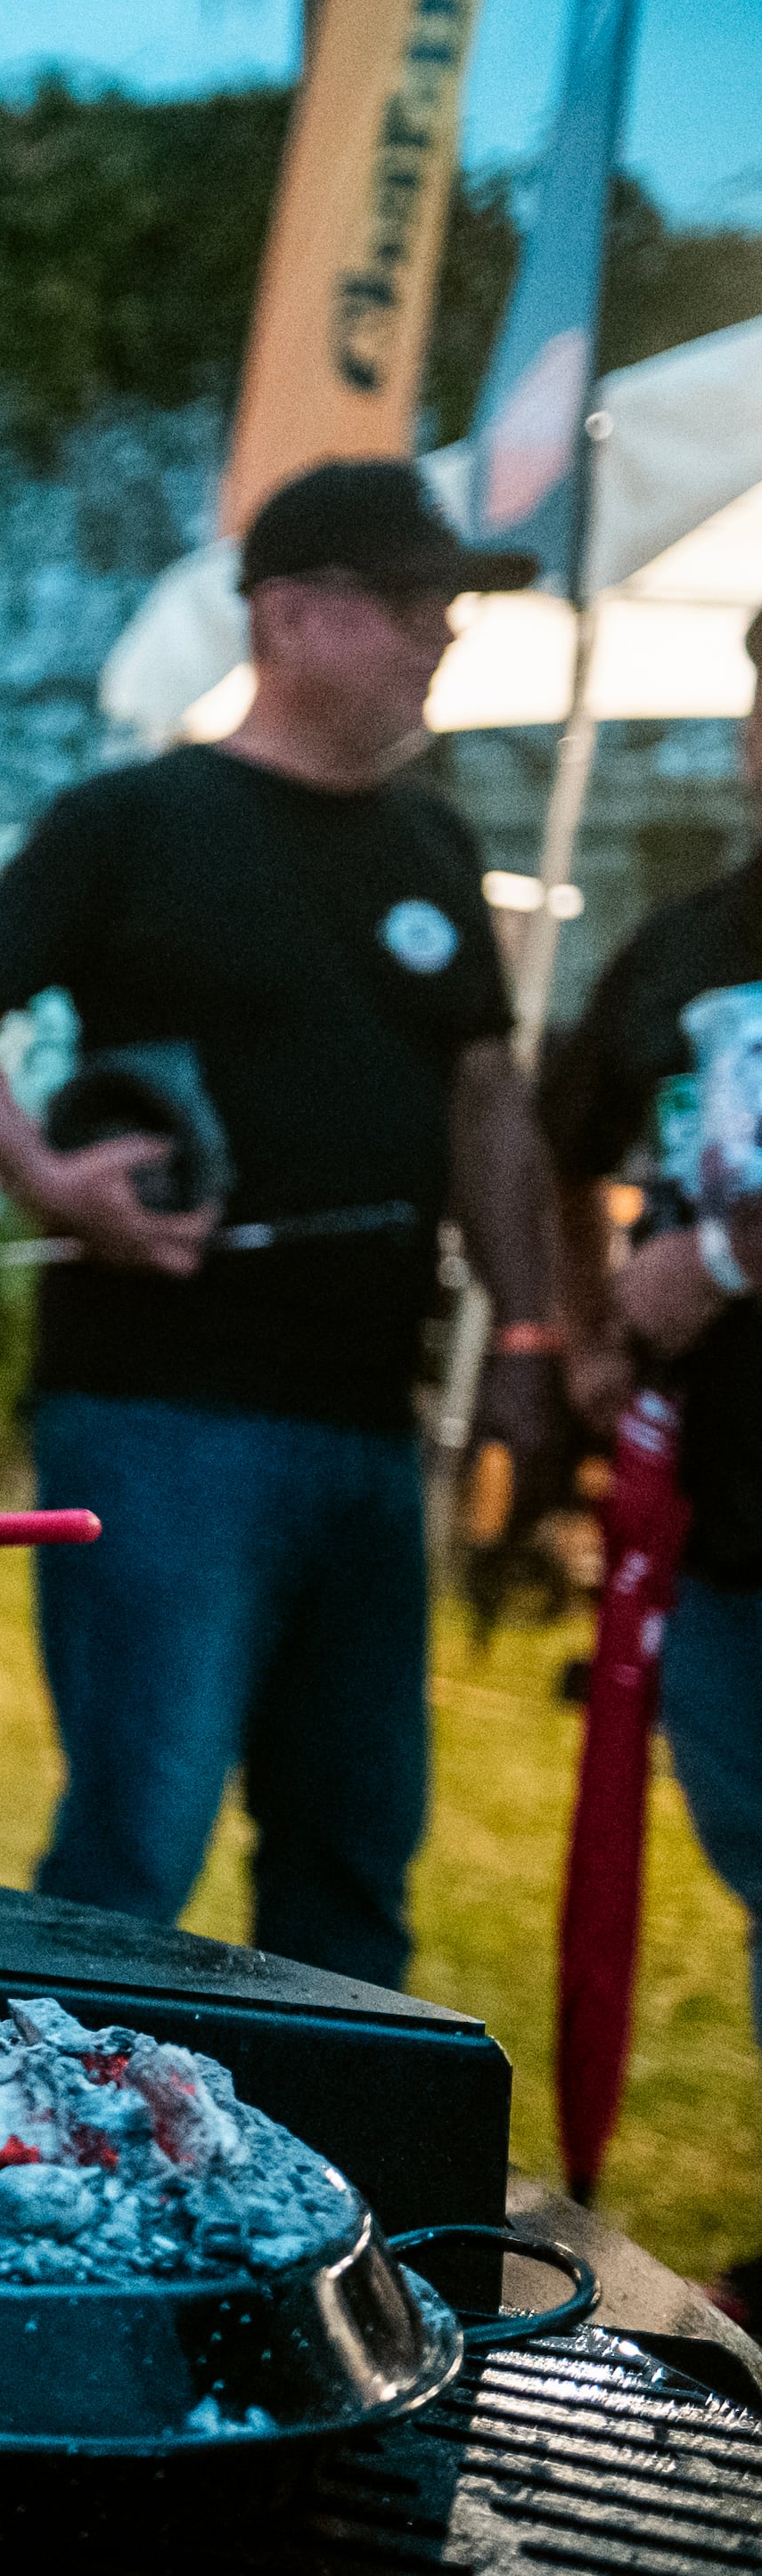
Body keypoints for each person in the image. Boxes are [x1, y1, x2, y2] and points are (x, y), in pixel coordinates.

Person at [0, 457, 561, 1994]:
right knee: (136, 1854)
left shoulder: (435, 846)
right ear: (296, 615)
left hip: (365, 1425)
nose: (442, 637)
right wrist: (48, 1180)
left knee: (352, 1852)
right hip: (161, 1413)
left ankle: (326, 2184)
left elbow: (486, 1102)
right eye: (413, 606)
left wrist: (530, 1330)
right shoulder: (138, 820)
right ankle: (70, 2178)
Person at [538, 606, 762, 2313]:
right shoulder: (688, 947)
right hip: (728, 1510)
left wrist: (733, 1259)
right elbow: (565, 1131)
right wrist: (587, 1336)